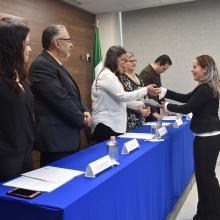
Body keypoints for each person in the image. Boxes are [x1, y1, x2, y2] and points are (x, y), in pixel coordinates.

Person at [161, 55, 220, 220]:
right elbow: (187, 98)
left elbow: (187, 107)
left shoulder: (205, 88)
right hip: (207, 138)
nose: (191, 69)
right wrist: (166, 92)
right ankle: (204, 214)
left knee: (206, 178)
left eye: (195, 67)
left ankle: (214, 214)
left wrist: (166, 106)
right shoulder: (205, 87)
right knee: (203, 177)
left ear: (205, 69)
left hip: (208, 139)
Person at [29, 24, 91, 167]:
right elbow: (60, 100)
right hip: (56, 141)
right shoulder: (42, 65)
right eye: (68, 40)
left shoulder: (55, 64)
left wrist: (85, 109)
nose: (71, 45)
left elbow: (71, 94)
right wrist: (81, 119)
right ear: (57, 43)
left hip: (66, 137)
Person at [91, 46, 159, 143]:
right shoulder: (106, 75)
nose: (124, 63)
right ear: (113, 59)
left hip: (114, 125)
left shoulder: (112, 75)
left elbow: (124, 101)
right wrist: (146, 89)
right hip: (106, 125)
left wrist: (143, 104)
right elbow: (123, 96)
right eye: (122, 60)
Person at [0, 21, 34, 181]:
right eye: (26, 44)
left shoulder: (21, 77)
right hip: (5, 160)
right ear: (12, 46)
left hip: (25, 155)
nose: (30, 49)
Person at [119, 52, 151, 131]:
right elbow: (126, 99)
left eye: (135, 61)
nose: (134, 63)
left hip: (142, 117)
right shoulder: (122, 78)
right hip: (130, 117)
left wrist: (148, 108)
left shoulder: (138, 77)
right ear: (124, 63)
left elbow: (145, 94)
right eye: (131, 61)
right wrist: (141, 111)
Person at [140, 54, 172, 120]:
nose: (164, 71)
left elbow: (160, 89)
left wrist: (164, 104)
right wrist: (153, 112)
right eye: (163, 69)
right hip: (149, 109)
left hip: (155, 106)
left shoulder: (157, 72)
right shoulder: (146, 73)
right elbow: (147, 95)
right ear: (158, 64)